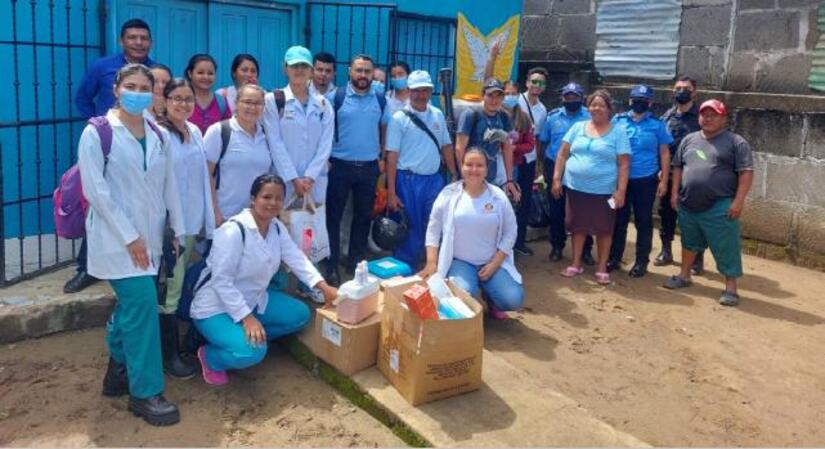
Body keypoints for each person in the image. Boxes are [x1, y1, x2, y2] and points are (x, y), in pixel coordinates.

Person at [79, 64, 185, 426]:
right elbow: (96, 192)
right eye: (131, 86)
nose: (138, 93)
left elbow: (169, 185)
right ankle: (145, 393)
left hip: (151, 240)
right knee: (142, 306)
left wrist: (177, 231)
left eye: (145, 87)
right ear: (116, 89)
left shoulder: (159, 133)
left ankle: (118, 369)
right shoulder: (98, 132)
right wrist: (130, 237)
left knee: (133, 308)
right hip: (116, 241)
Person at [190, 174, 337, 385]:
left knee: (300, 316)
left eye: (278, 198)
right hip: (216, 307)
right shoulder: (233, 231)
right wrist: (247, 318)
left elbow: (295, 257)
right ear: (253, 198)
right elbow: (221, 282)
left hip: (252, 299)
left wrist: (323, 287)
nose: (272, 203)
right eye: (266, 197)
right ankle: (210, 357)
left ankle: (244, 337)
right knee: (252, 351)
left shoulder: (275, 227)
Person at [67, 18, 154, 294]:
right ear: (121, 40)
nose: (138, 42)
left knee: (139, 203)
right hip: (109, 146)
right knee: (100, 202)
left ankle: (142, 259)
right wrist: (99, 127)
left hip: (141, 141)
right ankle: (87, 268)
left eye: (143, 38)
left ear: (150, 42)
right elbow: (83, 98)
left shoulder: (154, 70)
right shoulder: (102, 67)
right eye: (132, 37)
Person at [663, 100, 754, 307]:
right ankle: (684, 275)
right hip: (688, 203)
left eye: (714, 115)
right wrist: (674, 193)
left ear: (724, 118)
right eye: (705, 114)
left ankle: (731, 288)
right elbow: (677, 167)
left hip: (720, 205)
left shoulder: (736, 142)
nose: (708, 118)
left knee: (726, 246)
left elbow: (746, 173)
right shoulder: (689, 140)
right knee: (689, 242)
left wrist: (738, 201)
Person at [155, 77, 216, 379]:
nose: (183, 104)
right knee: (169, 288)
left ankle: (173, 348)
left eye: (188, 99)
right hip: (170, 228)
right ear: (165, 101)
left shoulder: (194, 131)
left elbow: (202, 179)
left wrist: (207, 221)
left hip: (191, 223)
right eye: (176, 98)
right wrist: (169, 227)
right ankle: (168, 356)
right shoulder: (159, 134)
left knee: (176, 286)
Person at [263, 46, 334, 302]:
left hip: (314, 183)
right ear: (286, 68)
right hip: (284, 180)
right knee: (277, 230)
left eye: (304, 66)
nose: (299, 71)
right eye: (295, 66)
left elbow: (326, 144)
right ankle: (276, 285)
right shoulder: (274, 101)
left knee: (308, 232)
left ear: (311, 71)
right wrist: (293, 178)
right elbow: (274, 142)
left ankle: (307, 283)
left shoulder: (323, 104)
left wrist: (310, 177)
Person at [419, 149, 523, 320]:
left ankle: (492, 299)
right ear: (462, 167)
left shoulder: (498, 196)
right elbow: (433, 228)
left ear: (487, 169)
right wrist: (431, 263)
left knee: (513, 298)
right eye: (469, 164)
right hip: (461, 262)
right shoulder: (448, 194)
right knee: (462, 298)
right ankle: (470, 292)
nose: (474, 170)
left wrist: (495, 263)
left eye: (479, 165)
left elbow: (511, 231)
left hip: (491, 261)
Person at [551, 89, 630, 285]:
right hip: (575, 188)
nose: (597, 108)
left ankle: (601, 268)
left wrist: (621, 191)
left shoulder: (618, 132)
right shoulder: (578, 127)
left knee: (604, 230)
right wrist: (556, 178)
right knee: (578, 227)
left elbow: (624, 164)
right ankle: (575, 263)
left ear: (609, 109)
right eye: (593, 104)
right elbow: (562, 154)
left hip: (604, 191)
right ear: (588, 107)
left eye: (601, 105)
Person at [324, 54, 391, 286]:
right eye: (359, 70)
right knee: (333, 218)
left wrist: (382, 156)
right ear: (349, 72)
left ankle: (355, 264)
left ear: (373, 74)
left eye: (367, 71)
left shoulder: (380, 99)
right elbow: (324, 130)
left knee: (363, 218)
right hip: (339, 166)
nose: (363, 75)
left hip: (369, 168)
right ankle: (332, 265)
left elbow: (383, 128)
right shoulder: (335, 98)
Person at [385, 70, 457, 269]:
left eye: (425, 90)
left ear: (431, 91)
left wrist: (454, 174)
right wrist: (391, 192)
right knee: (410, 227)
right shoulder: (399, 118)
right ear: (409, 91)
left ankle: (432, 268)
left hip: (434, 180)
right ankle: (406, 271)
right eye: (416, 90)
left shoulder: (438, 115)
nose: (421, 95)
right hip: (407, 181)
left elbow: (446, 146)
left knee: (434, 224)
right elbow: (392, 155)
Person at [608, 85, 673, 277]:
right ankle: (614, 258)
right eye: (636, 99)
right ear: (630, 100)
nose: (639, 103)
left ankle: (641, 262)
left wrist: (664, 181)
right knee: (618, 220)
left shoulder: (657, 125)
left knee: (643, 222)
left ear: (650, 103)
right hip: (620, 181)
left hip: (646, 181)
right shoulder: (618, 121)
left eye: (644, 100)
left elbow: (664, 153)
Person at [203, 84, 275, 226]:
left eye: (258, 103)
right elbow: (206, 174)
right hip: (225, 218)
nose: (252, 107)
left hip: (257, 219)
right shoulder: (220, 131)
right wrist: (214, 211)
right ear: (236, 103)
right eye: (247, 102)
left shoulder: (267, 135)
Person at [539, 83, 595, 264]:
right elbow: (543, 142)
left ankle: (585, 250)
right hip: (554, 165)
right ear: (562, 98)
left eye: (575, 96)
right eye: (567, 96)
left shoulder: (589, 116)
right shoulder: (552, 117)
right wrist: (542, 167)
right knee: (556, 209)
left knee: (583, 209)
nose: (571, 100)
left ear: (582, 98)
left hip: (580, 168)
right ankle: (557, 246)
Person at [657, 75, 705, 274]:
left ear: (694, 92)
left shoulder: (702, 117)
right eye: (677, 88)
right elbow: (660, 145)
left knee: (694, 218)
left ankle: (696, 259)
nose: (681, 92)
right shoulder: (667, 117)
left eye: (686, 88)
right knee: (666, 214)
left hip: (693, 176)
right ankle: (666, 251)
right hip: (669, 175)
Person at [455, 79, 521, 203]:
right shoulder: (470, 115)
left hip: (491, 176)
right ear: (483, 95)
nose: (494, 100)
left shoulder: (503, 117)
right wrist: (463, 176)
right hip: (471, 174)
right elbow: (460, 148)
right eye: (490, 95)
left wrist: (509, 180)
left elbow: (507, 148)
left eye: (498, 96)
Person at [503, 80, 537, 256]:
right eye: (506, 93)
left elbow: (530, 144)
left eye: (513, 93)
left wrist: (515, 148)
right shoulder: (495, 114)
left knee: (513, 205)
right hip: (495, 167)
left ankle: (514, 244)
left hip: (515, 167)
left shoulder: (523, 118)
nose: (510, 97)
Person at [186, 54, 232, 134]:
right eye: (200, 73)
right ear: (190, 74)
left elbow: (228, 131)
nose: (206, 77)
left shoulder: (221, 102)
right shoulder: (182, 100)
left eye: (210, 73)